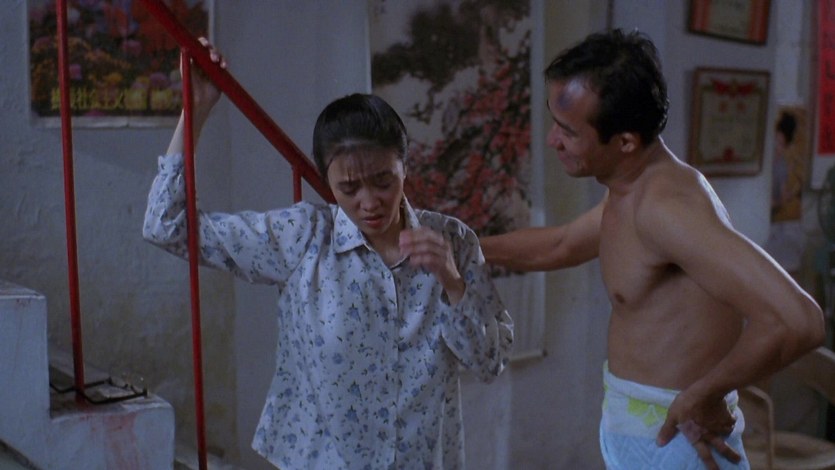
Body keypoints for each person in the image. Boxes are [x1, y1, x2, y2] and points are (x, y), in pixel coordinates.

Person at [142, 39, 513, 469]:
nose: (369, 202)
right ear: (327, 181)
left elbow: (490, 363)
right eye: (349, 188)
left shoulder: (454, 241)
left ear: (405, 167)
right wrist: (195, 111)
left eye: (383, 181)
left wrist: (452, 281)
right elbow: (166, 226)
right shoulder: (303, 238)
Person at [480, 28, 825, 470]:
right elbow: (561, 245)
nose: (552, 140)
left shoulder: (666, 208)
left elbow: (799, 320)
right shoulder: (629, 189)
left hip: (681, 445)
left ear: (625, 141)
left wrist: (706, 393)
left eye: (568, 131)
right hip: (639, 434)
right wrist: (459, 246)